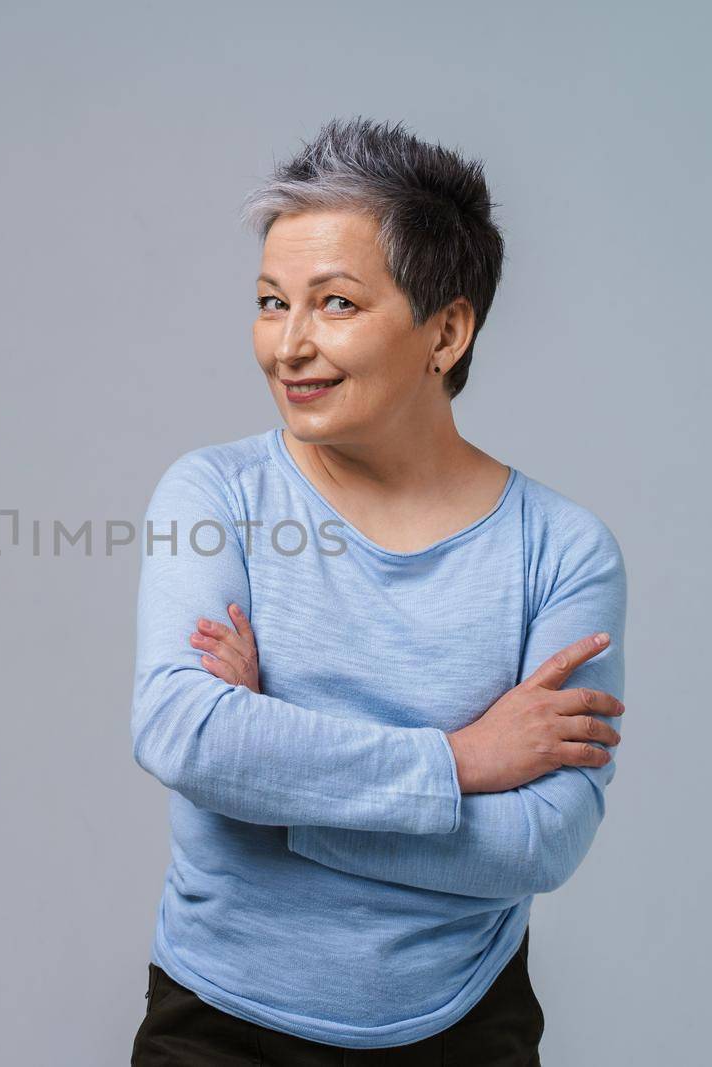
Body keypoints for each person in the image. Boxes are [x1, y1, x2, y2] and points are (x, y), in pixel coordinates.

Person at [128, 117, 627, 1065]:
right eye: (273, 302)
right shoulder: (214, 495)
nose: (289, 345)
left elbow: (542, 843)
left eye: (337, 304)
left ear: (446, 329)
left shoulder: (562, 551)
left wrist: (268, 785)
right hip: (218, 1020)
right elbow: (182, 732)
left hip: (465, 1023)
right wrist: (460, 761)